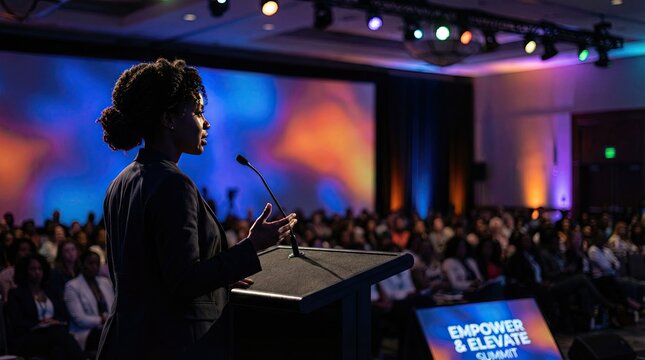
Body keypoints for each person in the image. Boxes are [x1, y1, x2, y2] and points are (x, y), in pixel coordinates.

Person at [96, 58, 297, 359]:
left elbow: (155, 274)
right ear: (169, 119)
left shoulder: (120, 183)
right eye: (199, 111)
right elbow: (183, 281)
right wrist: (251, 247)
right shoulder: (173, 184)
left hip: (127, 341)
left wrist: (223, 275)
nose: (207, 123)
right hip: (172, 344)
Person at [6, 254, 84, 359]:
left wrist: (55, 321)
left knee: (58, 351)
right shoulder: (16, 293)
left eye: (39, 268)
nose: (37, 272)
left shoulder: (50, 291)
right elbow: (17, 322)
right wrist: (40, 324)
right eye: (33, 269)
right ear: (25, 271)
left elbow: (63, 315)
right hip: (28, 337)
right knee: (58, 334)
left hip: (53, 335)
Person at [65, 249, 114, 352]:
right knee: (107, 335)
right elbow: (79, 319)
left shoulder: (105, 282)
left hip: (107, 327)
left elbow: (113, 308)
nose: (94, 267)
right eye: (91, 263)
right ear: (82, 264)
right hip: (85, 332)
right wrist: (102, 320)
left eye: (97, 263)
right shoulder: (72, 286)